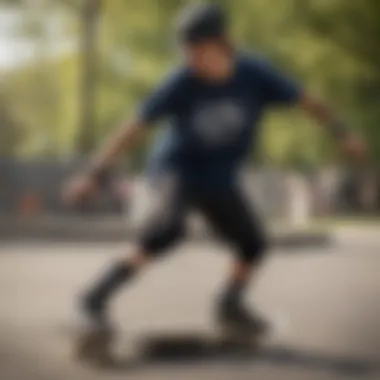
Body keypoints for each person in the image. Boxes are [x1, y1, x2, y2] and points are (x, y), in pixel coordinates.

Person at [64, 3, 366, 356]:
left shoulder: (256, 73)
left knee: (253, 243)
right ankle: (91, 301)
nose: (192, 60)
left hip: (219, 177)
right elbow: (133, 129)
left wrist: (342, 132)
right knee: (167, 231)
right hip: (177, 169)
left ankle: (230, 305)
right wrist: (94, 175)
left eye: (199, 52)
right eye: (186, 52)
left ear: (223, 44)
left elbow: (307, 100)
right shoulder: (181, 81)